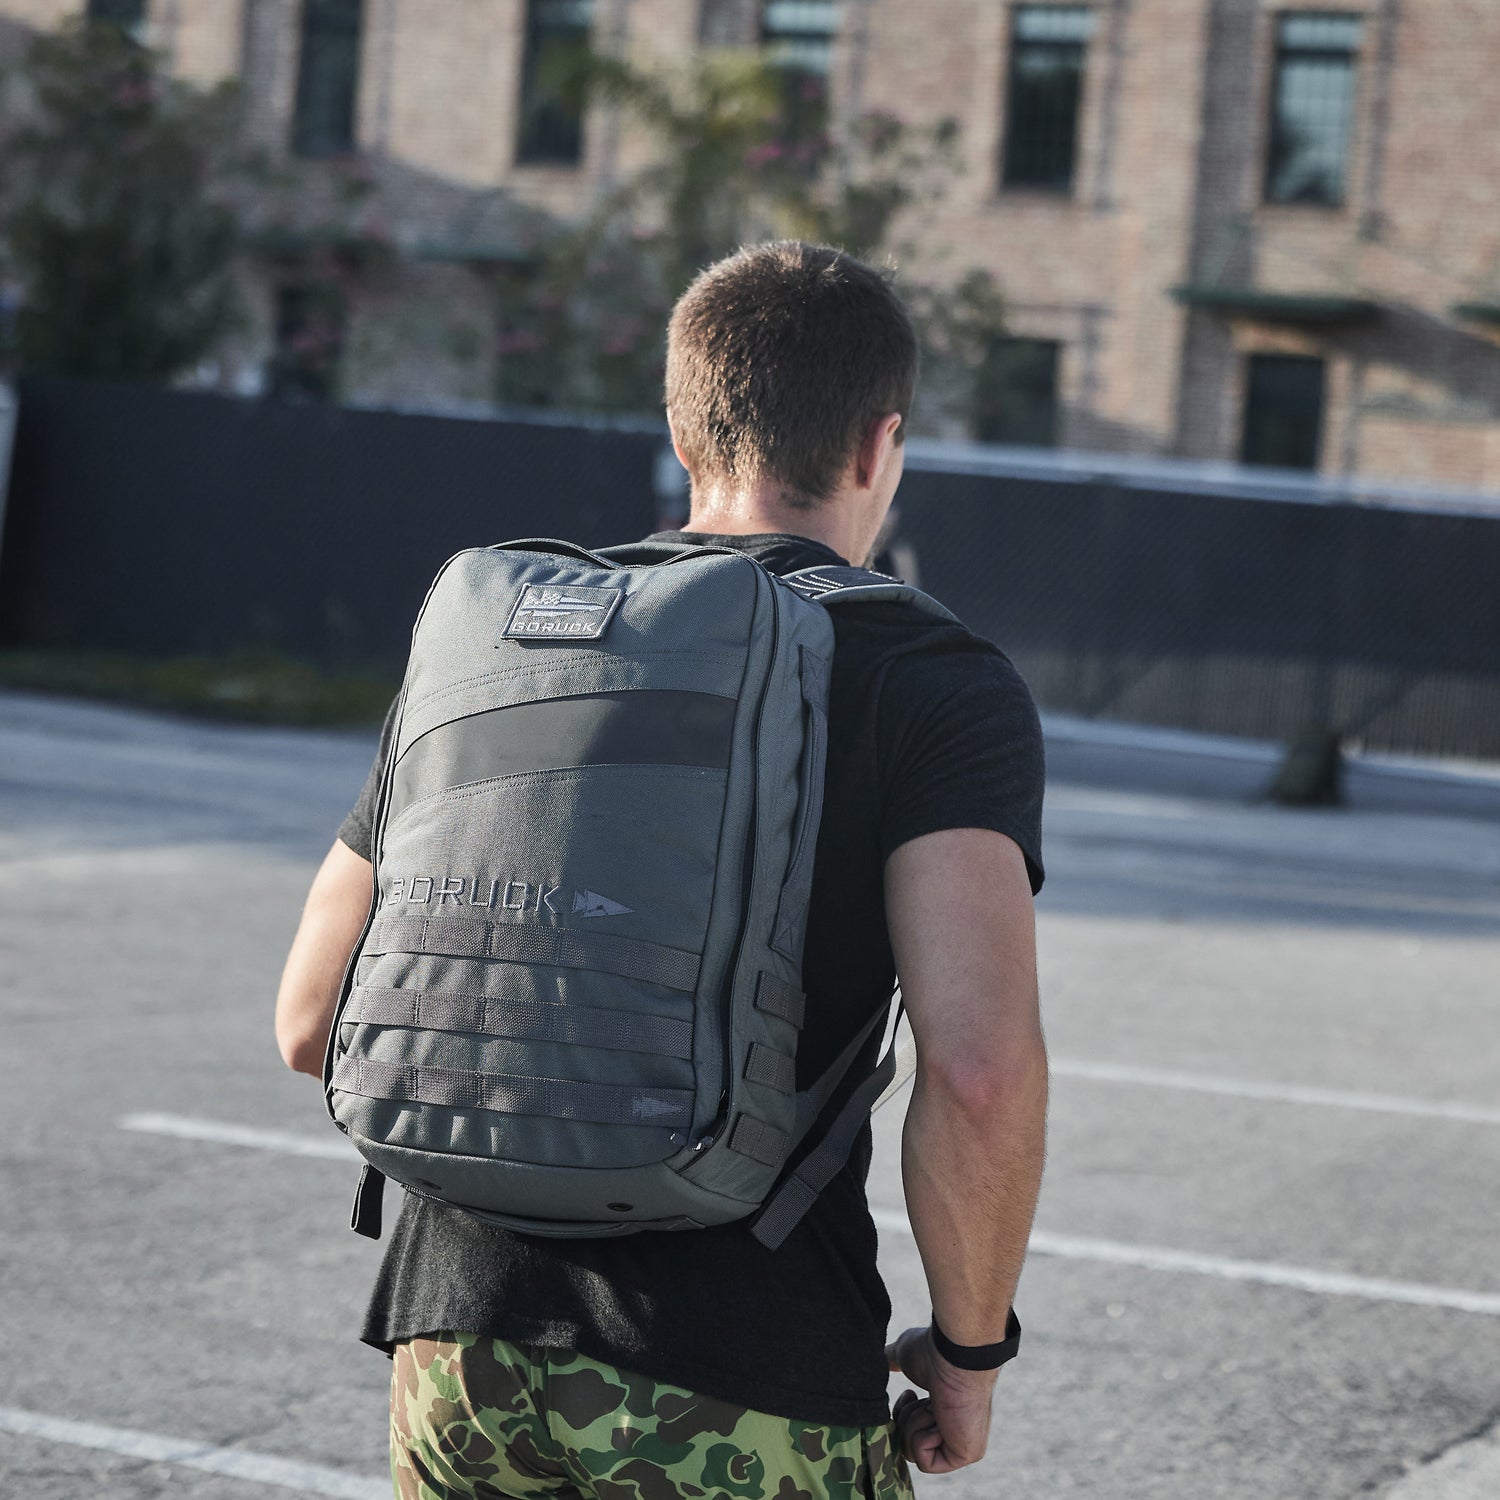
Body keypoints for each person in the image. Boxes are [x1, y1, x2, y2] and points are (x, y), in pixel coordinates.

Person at [275, 240, 1048, 1500]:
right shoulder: (931, 679)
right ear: (879, 446)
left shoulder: (504, 643)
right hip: (748, 1374)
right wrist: (970, 1353)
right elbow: (977, 1071)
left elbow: (312, 1022)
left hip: (455, 1345)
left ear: (685, 442)